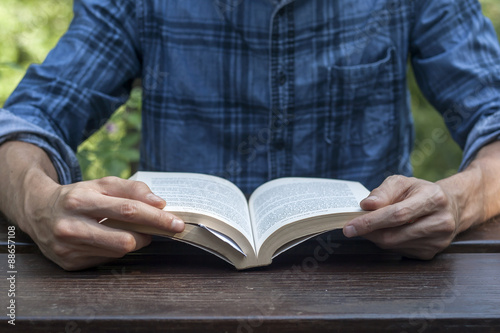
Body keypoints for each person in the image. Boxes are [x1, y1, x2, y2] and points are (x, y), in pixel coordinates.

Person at [1, 0, 500, 271]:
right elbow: (26, 124)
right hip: (177, 284)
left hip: (367, 277)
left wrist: (459, 200)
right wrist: (38, 202)